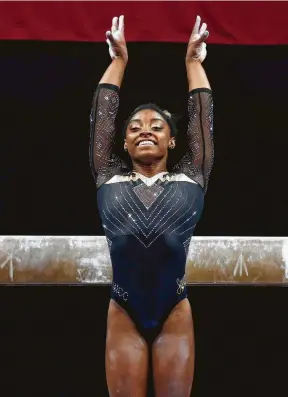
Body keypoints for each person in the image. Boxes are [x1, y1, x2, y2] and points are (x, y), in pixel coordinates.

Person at [89, 14, 213, 397]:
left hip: (174, 310)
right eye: (135, 127)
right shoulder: (107, 174)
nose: (145, 129)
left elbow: (202, 120)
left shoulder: (192, 175)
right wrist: (118, 61)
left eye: (157, 126)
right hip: (124, 311)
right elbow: (102, 117)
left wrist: (193, 63)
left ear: (172, 142)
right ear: (124, 144)